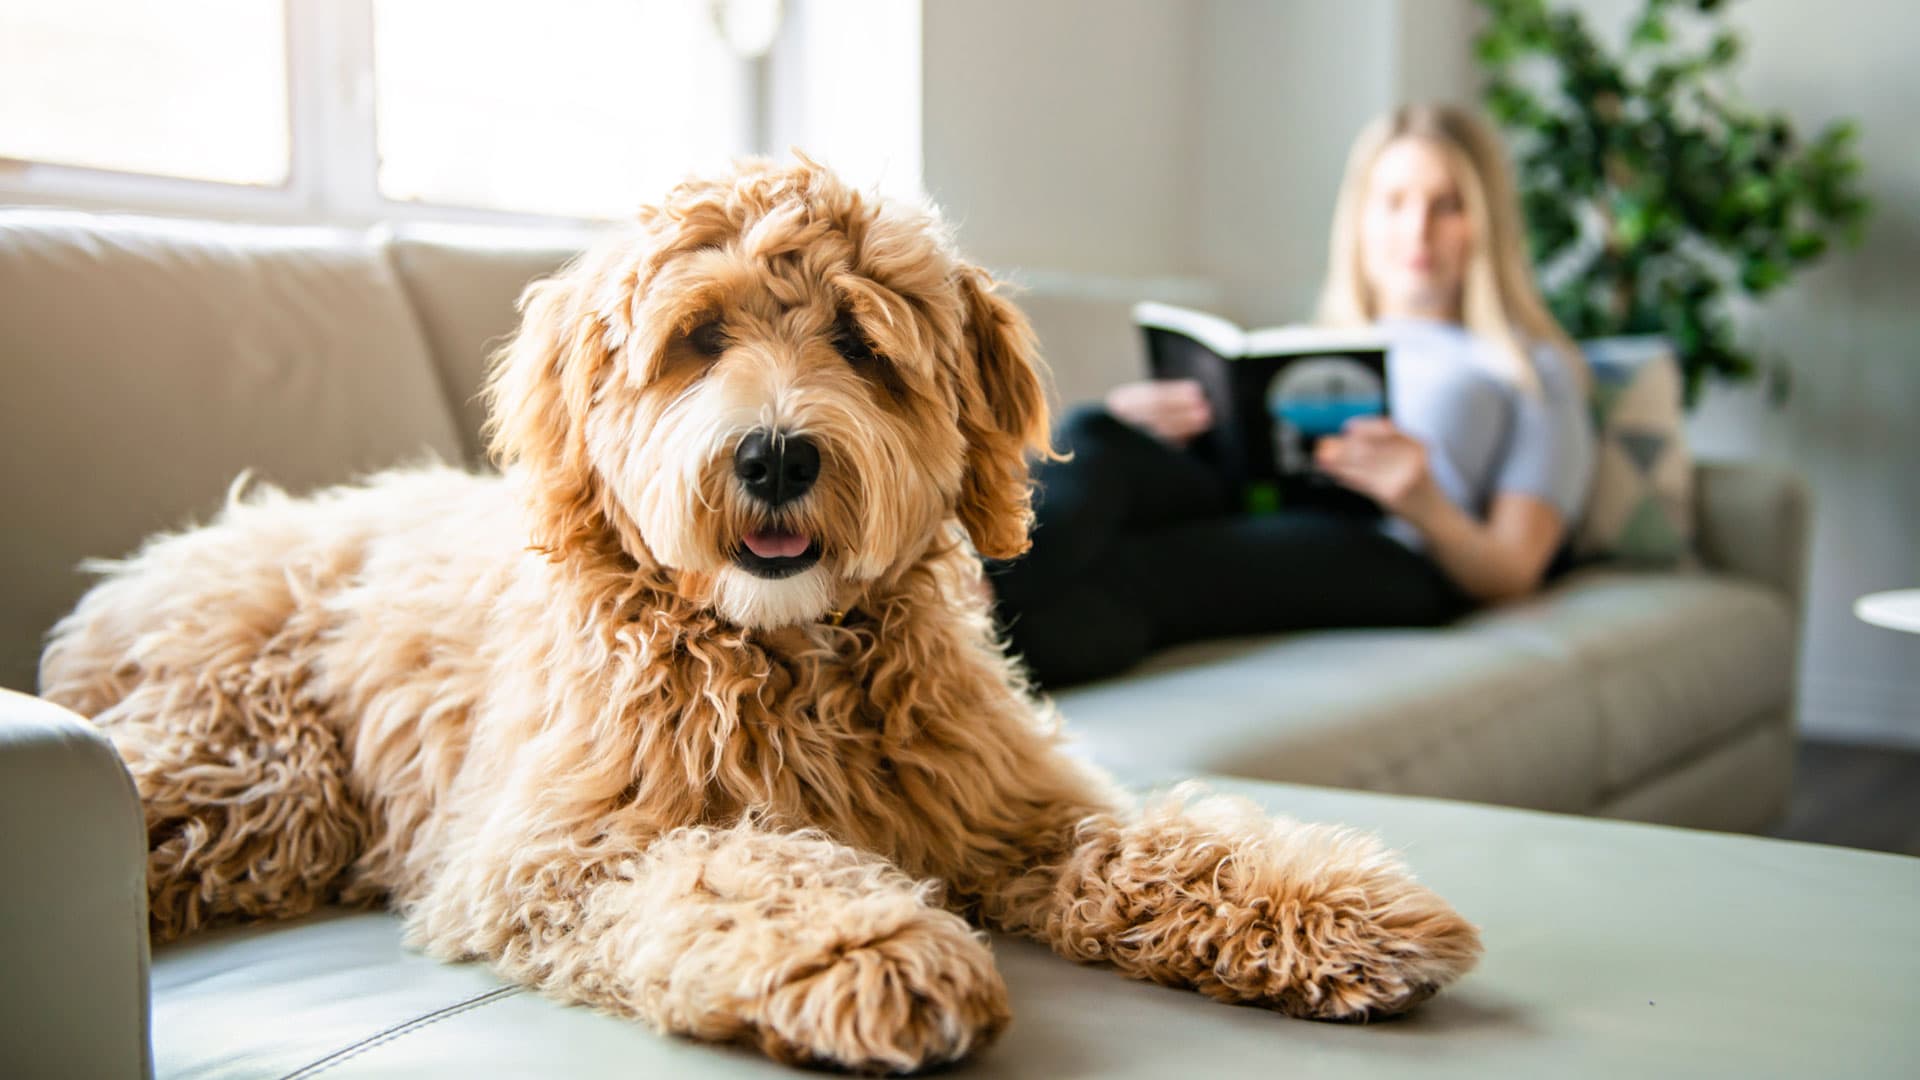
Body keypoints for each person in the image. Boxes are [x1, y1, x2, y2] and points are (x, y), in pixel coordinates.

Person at [988, 104, 1595, 689]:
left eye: (1448, 205)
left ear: (1486, 224)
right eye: (1394, 203)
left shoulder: (1530, 368)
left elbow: (1514, 570)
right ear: (1360, 219)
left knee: (1151, 570)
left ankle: (959, 638)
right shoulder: (1317, 341)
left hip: (1393, 550)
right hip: (1256, 501)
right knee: (1096, 433)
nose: (1417, 230)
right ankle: (968, 594)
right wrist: (1161, 431)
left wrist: (1424, 502)